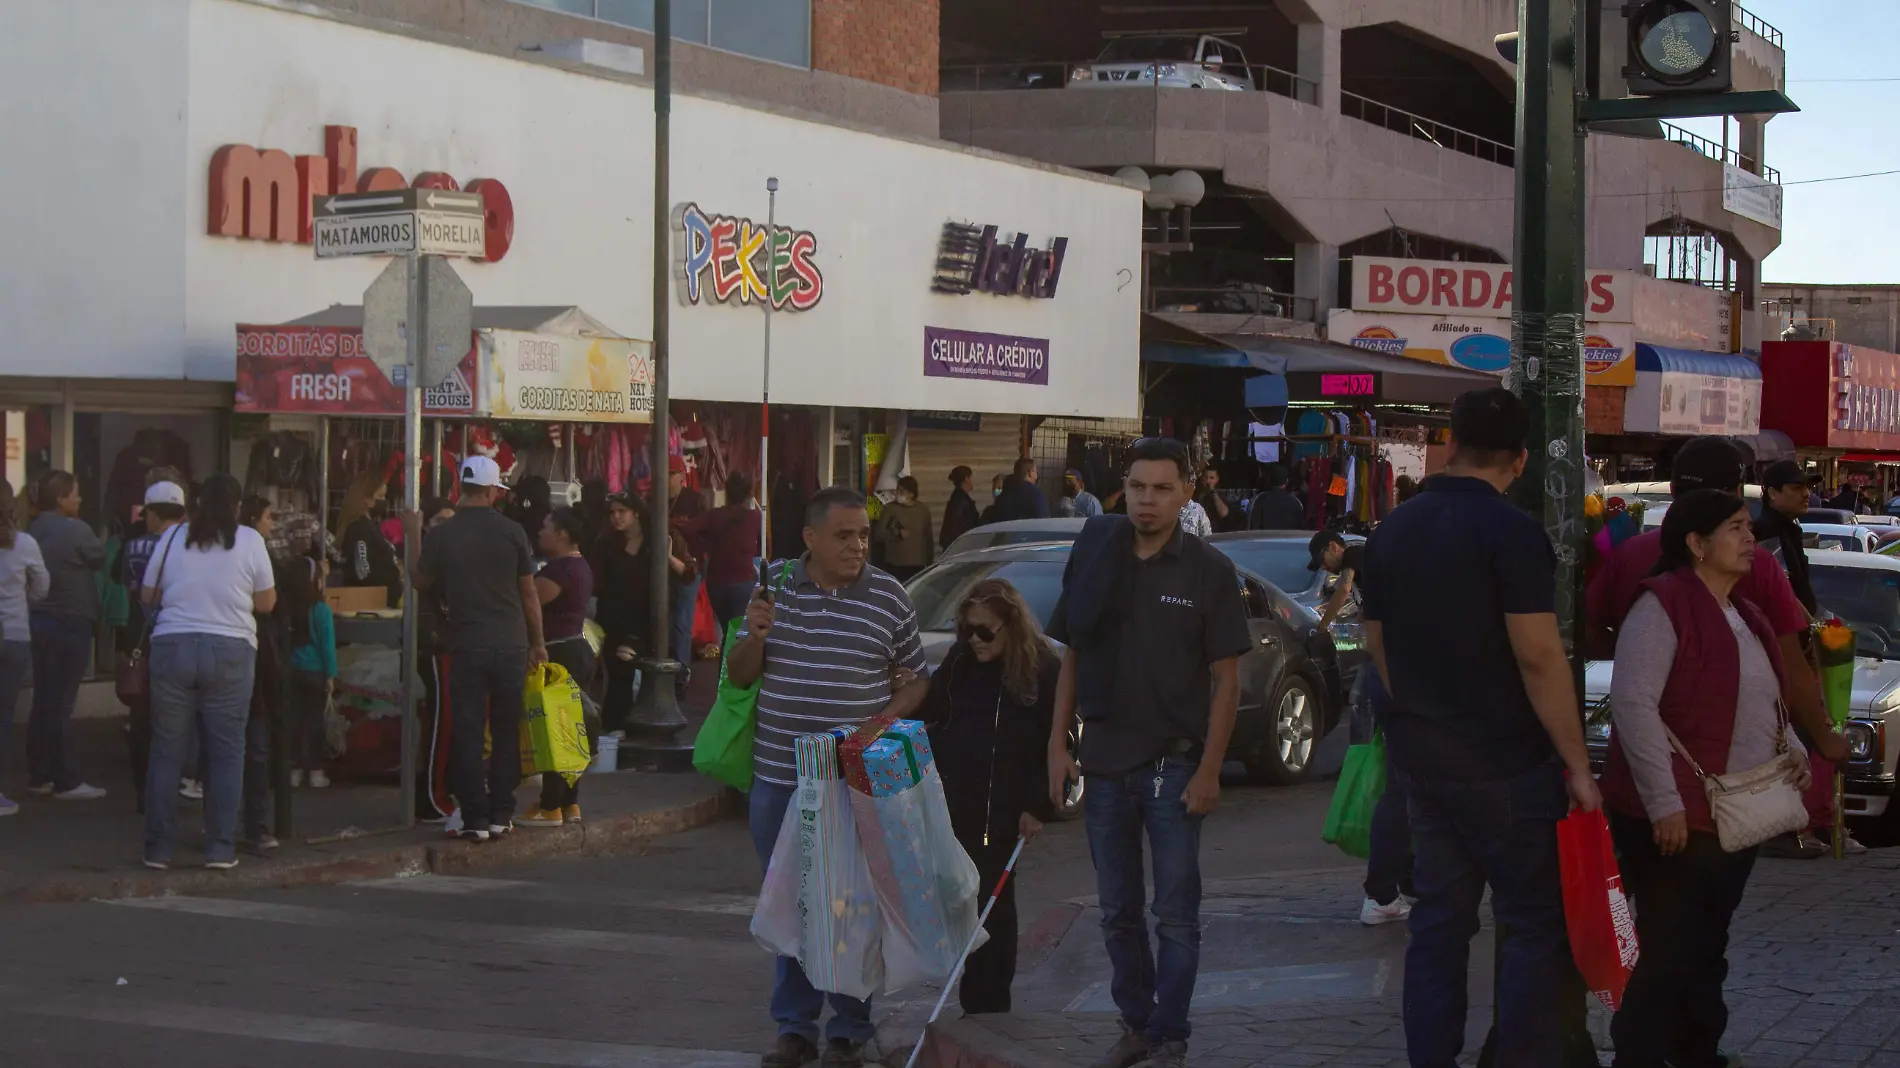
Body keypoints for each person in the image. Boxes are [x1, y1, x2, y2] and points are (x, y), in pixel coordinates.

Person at [1359, 388, 1601, 1065]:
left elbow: (1377, 647)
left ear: (1452, 445)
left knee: (1439, 924)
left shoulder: (1394, 528)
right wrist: (1577, 765)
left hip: (1424, 760)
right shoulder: (1512, 533)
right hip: (1506, 763)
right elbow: (1537, 654)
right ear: (1519, 459)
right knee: (1529, 923)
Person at [1045, 437, 1251, 1068]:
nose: (1147, 501)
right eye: (1137, 487)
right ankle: (1137, 1024)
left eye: (1162, 488)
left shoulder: (1209, 572)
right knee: (1116, 913)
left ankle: (1171, 1034)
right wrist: (1058, 745)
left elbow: (1227, 681)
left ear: (1186, 492)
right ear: (1123, 489)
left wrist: (1211, 770)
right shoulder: (1099, 551)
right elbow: (1072, 656)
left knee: (1176, 915)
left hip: (1174, 766)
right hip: (1105, 763)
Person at [1602, 490, 1812, 1066]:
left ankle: (1696, 1051)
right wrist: (1664, 802)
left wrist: (1791, 748)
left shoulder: (1744, 612)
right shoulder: (1662, 606)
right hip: (1675, 817)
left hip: (1733, 815)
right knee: (1669, 949)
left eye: (1749, 527)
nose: (1750, 539)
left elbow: (1765, 700)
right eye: (1735, 529)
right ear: (1696, 544)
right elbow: (1634, 705)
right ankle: (1639, 1055)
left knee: (1706, 945)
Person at [726, 486, 930, 1068]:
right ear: (811, 539)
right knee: (790, 903)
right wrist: (756, 635)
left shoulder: (889, 597)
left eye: (863, 534)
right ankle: (794, 1027)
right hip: (780, 780)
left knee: (849, 905)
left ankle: (849, 1028)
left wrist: (882, 721)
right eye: (844, 535)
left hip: (851, 783)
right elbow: (741, 677)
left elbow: (916, 677)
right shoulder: (775, 592)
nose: (858, 545)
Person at [1586, 436, 1849, 859]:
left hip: (1639, 776)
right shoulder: (1753, 565)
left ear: (1672, 490)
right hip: (1718, 791)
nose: (1747, 535)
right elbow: (1792, 664)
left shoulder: (1631, 553)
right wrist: (1822, 737)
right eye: (1738, 523)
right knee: (1693, 914)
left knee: (1658, 907)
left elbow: (1592, 636)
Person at [918, 579, 1058, 1015]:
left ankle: (991, 1000)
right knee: (961, 898)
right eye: (967, 629)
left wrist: (1037, 805)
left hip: (1006, 805)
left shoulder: (1042, 671)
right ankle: (971, 993)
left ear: (1010, 626)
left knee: (994, 901)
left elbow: (1054, 743)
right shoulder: (962, 660)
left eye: (985, 631)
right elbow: (935, 712)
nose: (975, 640)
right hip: (959, 796)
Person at [141, 473, 278, 869]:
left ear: (196, 504)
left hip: (172, 646)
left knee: (166, 751)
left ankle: (158, 849)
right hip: (231, 652)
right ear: (237, 507)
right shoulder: (250, 540)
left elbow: (148, 594)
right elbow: (266, 602)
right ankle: (219, 847)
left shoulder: (171, 537)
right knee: (226, 753)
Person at [414, 456, 546, 843]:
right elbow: (529, 595)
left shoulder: (442, 535)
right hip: (511, 644)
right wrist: (538, 643)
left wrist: (413, 537)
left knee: (469, 731)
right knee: (506, 731)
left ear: (462, 488)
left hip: (467, 644)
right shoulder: (512, 532)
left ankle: (473, 816)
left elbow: (420, 581)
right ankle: (501, 814)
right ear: (491, 491)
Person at [1311, 529, 1412, 924]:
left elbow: (1343, 595)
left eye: (1324, 559)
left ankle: (1397, 884)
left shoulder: (1357, 554)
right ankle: (1392, 887)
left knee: (1400, 786)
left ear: (1334, 547)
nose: (1325, 568)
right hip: (1397, 677)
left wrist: (1324, 625)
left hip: (1391, 673)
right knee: (1402, 787)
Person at [25, 470, 108, 802]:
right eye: (75, 493)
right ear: (61, 498)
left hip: (39, 620)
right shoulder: (77, 529)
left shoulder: (32, 530)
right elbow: (99, 558)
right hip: (71, 621)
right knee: (62, 702)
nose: (80, 499)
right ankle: (66, 780)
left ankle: (39, 773)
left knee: (43, 699)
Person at [592, 493, 694, 734]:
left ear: (636, 512)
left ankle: (632, 726)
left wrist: (667, 557)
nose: (616, 517)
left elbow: (688, 573)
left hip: (651, 618)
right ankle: (616, 730)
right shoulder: (605, 543)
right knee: (619, 673)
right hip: (614, 618)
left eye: (621, 511)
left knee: (646, 672)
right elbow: (597, 582)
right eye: (612, 513)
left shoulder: (662, 537)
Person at [521, 508, 597, 827]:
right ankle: (569, 803)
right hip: (573, 651)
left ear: (562, 534)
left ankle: (551, 804)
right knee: (570, 732)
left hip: (561, 655)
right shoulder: (576, 565)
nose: (541, 532)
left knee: (557, 732)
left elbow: (529, 602)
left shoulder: (562, 569)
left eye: (546, 527)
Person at [120, 481, 188, 807]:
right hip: (179, 635)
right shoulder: (191, 544)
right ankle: (176, 783)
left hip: (141, 635)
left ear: (153, 513)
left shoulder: (134, 545)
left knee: (143, 718)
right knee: (177, 717)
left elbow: (118, 576)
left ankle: (143, 791)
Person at [238, 496, 285, 852]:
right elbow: (268, 601)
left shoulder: (191, 542)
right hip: (250, 650)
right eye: (269, 517)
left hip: (243, 650)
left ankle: (234, 824)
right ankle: (253, 824)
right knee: (254, 742)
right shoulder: (253, 545)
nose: (273, 523)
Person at [0, 479, 49, 817]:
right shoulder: (25, 544)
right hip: (14, 635)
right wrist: (23, 601)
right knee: (3, 717)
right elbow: (42, 587)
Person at [683, 473, 765, 630]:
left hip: (717, 583)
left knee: (727, 630)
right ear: (749, 494)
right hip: (742, 581)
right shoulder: (754, 517)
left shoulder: (714, 515)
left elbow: (688, 528)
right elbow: (762, 545)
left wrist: (702, 548)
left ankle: (726, 654)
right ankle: (729, 654)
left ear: (727, 492)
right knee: (736, 634)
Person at [282, 554, 336, 789]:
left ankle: (293, 769)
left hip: (291, 672)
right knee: (314, 723)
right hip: (315, 673)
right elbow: (327, 647)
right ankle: (314, 769)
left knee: (293, 721)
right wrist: (331, 675)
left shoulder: (285, 609)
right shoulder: (321, 610)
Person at [665, 455, 707, 689]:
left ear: (682, 476)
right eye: (666, 473)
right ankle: (669, 667)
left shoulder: (694, 500)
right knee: (665, 620)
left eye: (673, 473)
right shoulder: (653, 499)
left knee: (682, 621)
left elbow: (705, 535)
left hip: (688, 568)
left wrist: (698, 564)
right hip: (662, 569)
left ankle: (681, 672)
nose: (669, 478)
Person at [337, 470, 400, 607]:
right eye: (380, 496)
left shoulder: (370, 526)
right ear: (366, 499)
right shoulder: (359, 528)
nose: (384, 501)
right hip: (371, 606)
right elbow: (362, 571)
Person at [875, 475, 934, 583]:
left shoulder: (923, 510)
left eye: (902, 491)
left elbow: (928, 537)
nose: (897, 493)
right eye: (897, 489)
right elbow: (879, 535)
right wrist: (896, 532)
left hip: (917, 565)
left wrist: (930, 562)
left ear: (911, 494)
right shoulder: (890, 509)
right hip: (894, 564)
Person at [1307, 531, 1364, 632]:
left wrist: (1323, 626)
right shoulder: (1356, 576)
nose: (1323, 567)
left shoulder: (1351, 553)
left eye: (1322, 560)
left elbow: (1343, 591)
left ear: (1333, 547)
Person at [1246, 464, 1305, 531]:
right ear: (1287, 481)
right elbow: (1300, 529)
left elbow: (1253, 528)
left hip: (1265, 540)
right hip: (1289, 541)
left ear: (1269, 480)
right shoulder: (1295, 502)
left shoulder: (1261, 499)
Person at [940, 466, 982, 549]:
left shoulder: (958, 498)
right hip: (961, 548)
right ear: (966, 479)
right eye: (970, 478)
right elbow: (956, 528)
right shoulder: (960, 500)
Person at [994, 458, 1050, 523]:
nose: (1036, 476)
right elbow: (1044, 521)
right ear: (1030, 472)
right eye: (1035, 472)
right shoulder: (1037, 495)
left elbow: (996, 497)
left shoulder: (1002, 493)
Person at [1193, 466, 1234, 532]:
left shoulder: (1220, 494)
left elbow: (1223, 513)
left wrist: (1213, 492)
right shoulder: (1194, 492)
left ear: (1217, 479)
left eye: (1211, 478)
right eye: (1206, 477)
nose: (1208, 481)